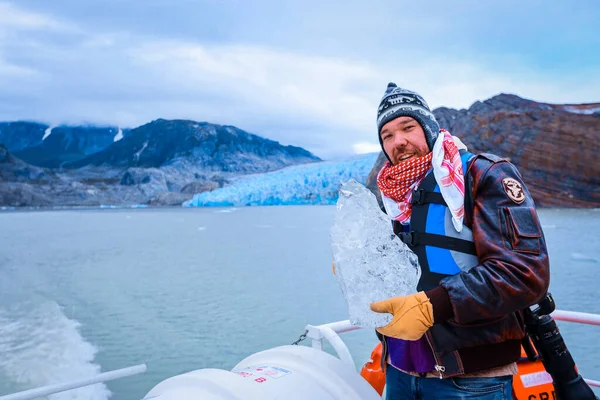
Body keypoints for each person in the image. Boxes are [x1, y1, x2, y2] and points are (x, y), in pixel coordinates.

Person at [368, 83, 550, 399]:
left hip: (471, 379)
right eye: (387, 135)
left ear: (427, 127)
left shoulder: (482, 173)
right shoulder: (390, 197)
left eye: (407, 127)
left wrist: (432, 306)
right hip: (399, 371)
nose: (399, 141)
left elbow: (524, 272)